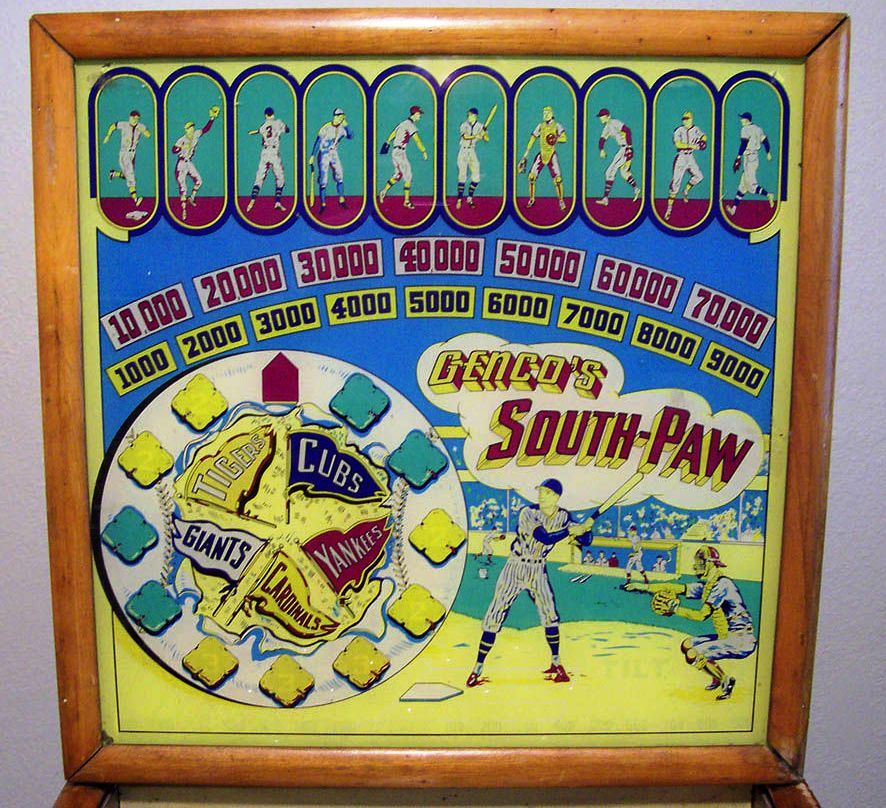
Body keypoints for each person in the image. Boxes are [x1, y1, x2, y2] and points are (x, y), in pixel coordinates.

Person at [467, 479, 593, 686]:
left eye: (546, 492)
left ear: (556, 497)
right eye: (540, 491)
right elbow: (545, 537)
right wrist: (571, 531)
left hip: (538, 569)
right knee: (495, 613)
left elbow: (585, 541)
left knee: (550, 614)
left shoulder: (563, 516)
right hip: (515, 567)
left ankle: (556, 662)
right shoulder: (528, 513)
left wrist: (586, 530)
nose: (541, 495)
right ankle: (477, 668)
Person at [626, 546, 756, 700]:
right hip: (729, 635)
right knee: (687, 645)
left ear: (709, 563)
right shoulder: (709, 585)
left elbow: (701, 616)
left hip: (741, 640)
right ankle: (716, 676)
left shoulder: (722, 585)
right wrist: (644, 587)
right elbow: (679, 588)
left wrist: (675, 609)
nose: (695, 566)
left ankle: (725, 680)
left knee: (693, 654)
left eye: (699, 562)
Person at [171, 106, 218, 221]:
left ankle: (191, 198)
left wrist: (212, 118)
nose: (191, 129)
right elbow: (173, 150)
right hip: (181, 164)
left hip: (189, 163)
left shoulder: (196, 134)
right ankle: (183, 210)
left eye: (192, 127)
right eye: (189, 128)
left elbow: (206, 129)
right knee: (183, 188)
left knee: (199, 181)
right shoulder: (181, 139)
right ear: (186, 129)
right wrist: (181, 147)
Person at [517, 105, 567, 210]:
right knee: (531, 177)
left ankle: (561, 200)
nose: (546, 115)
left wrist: (555, 139)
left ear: (552, 114)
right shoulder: (540, 126)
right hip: (542, 154)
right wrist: (526, 154)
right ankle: (531, 199)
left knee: (558, 180)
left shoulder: (557, 125)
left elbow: (564, 138)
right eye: (544, 113)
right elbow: (533, 138)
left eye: (548, 113)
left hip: (551, 154)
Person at [378, 106, 428, 209]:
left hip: (395, 152)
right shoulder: (410, 125)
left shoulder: (403, 123)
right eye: (419, 114)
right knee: (408, 176)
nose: (420, 116)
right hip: (400, 153)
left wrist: (388, 141)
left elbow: (393, 133)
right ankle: (406, 201)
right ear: (415, 114)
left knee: (398, 175)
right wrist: (423, 151)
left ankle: (383, 191)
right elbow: (417, 140)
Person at [726, 111, 775, 216]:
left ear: (746, 119)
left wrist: (738, 156)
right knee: (742, 186)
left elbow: (744, 144)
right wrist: (768, 152)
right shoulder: (758, 129)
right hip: (754, 157)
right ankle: (734, 209)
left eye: (742, 118)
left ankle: (768, 195)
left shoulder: (745, 129)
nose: (741, 120)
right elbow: (765, 141)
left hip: (749, 158)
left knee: (751, 186)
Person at [309, 107, 353, 215]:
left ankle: (341, 199)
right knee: (323, 180)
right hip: (323, 154)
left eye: (342, 117)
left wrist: (346, 125)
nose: (341, 119)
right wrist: (312, 156)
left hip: (333, 153)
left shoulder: (342, 128)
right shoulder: (326, 127)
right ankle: (323, 204)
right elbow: (318, 142)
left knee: (339, 175)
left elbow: (351, 136)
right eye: (339, 116)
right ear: (335, 116)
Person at [246, 107, 290, 213]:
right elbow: (288, 130)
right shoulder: (278, 123)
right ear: (273, 114)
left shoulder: (264, 125)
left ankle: (252, 202)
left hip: (265, 152)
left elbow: (259, 131)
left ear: (265, 115)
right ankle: (277, 202)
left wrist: (252, 132)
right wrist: (282, 126)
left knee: (259, 177)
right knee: (280, 178)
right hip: (274, 153)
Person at [665, 110, 707, 221]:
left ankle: (686, 190)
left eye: (687, 119)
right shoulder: (679, 130)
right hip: (681, 157)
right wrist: (692, 146)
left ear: (691, 119)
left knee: (699, 176)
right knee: (675, 185)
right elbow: (678, 144)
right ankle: (669, 209)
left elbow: (704, 136)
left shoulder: (696, 129)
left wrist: (703, 142)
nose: (685, 121)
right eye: (684, 119)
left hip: (690, 157)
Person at [104, 109, 151, 207]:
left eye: (137, 118)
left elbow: (148, 135)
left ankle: (114, 173)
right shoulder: (124, 124)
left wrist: (144, 131)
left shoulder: (140, 126)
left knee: (127, 175)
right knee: (130, 176)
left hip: (133, 154)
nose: (135, 120)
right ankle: (135, 198)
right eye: (133, 118)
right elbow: (113, 126)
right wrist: (108, 136)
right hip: (124, 153)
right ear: (129, 118)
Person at [594, 108, 641, 206]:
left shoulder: (614, 122)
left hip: (625, 148)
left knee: (609, 172)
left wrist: (629, 147)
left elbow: (627, 130)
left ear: (608, 116)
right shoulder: (607, 127)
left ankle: (605, 198)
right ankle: (636, 189)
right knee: (624, 172)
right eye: (600, 116)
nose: (601, 118)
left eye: (602, 116)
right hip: (623, 148)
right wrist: (601, 149)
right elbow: (602, 139)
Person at [455, 107, 488, 209]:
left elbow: (487, 139)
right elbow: (465, 136)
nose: (468, 117)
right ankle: (459, 199)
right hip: (463, 151)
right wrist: (476, 136)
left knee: (476, 177)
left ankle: (469, 199)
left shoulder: (480, 126)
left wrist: (484, 134)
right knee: (462, 176)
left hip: (472, 151)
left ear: (475, 116)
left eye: (470, 115)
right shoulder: (464, 125)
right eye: (468, 115)